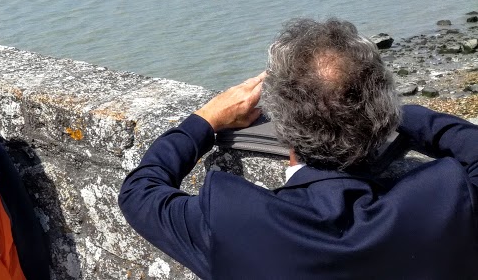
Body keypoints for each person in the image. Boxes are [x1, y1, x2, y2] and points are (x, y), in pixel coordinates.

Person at [118, 17, 478, 279]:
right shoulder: (447, 200)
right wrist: (399, 114)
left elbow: (140, 192)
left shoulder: (232, 222)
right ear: (380, 113)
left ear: (284, 128)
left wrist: (206, 118)